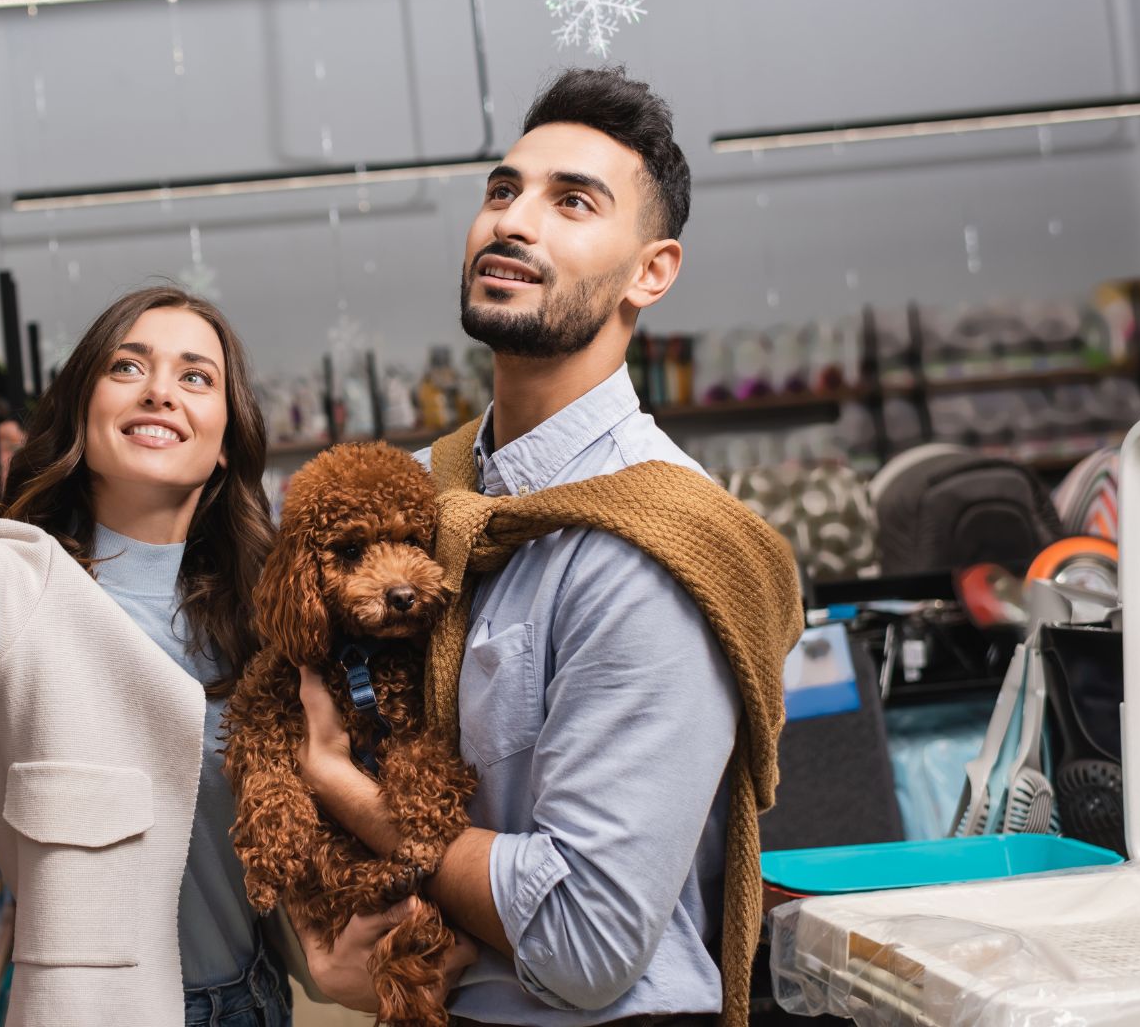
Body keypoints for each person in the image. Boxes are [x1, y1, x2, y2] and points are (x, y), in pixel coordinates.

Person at [0, 32, 307, 1025]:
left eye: (195, 375)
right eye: (127, 365)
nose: (160, 386)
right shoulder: (15, 590)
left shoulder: (266, 613)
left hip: (257, 996)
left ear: (223, 443)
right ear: (83, 410)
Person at [294, 67, 793, 1027]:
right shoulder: (419, 498)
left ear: (652, 271)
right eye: (502, 190)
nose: (513, 222)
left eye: (573, 203)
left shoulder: (651, 546)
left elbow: (583, 940)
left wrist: (345, 790)